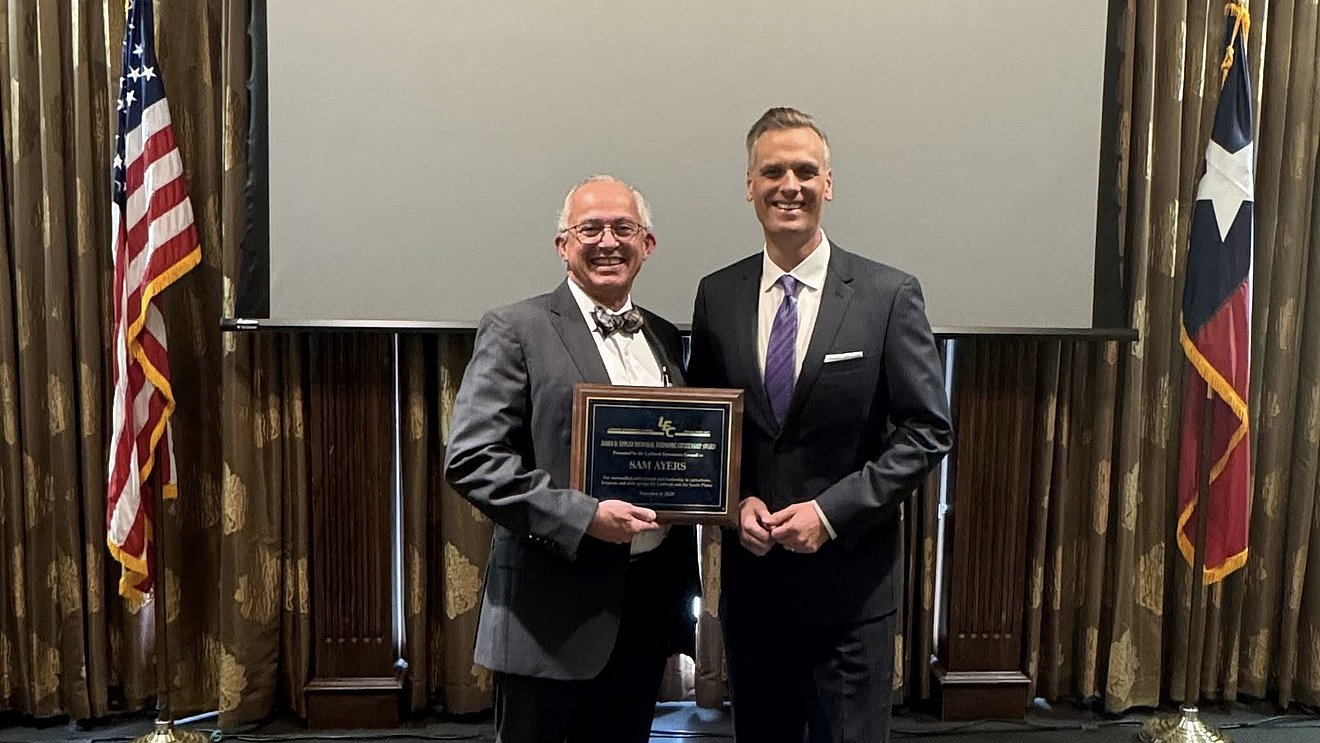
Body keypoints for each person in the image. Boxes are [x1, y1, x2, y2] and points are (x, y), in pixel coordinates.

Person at [687, 107, 953, 743]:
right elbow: (707, 429)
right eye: (773, 171)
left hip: (850, 596)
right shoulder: (716, 294)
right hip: (754, 592)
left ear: (828, 184)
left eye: (805, 171)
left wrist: (831, 512)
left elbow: (926, 429)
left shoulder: (888, 295)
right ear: (749, 185)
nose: (790, 185)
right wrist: (734, 501)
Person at [444, 175, 699, 743]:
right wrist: (584, 517)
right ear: (563, 244)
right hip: (548, 620)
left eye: (623, 228)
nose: (608, 241)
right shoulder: (516, 328)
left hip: (644, 610)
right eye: (590, 228)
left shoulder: (663, 335)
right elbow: (473, 459)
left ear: (647, 245)